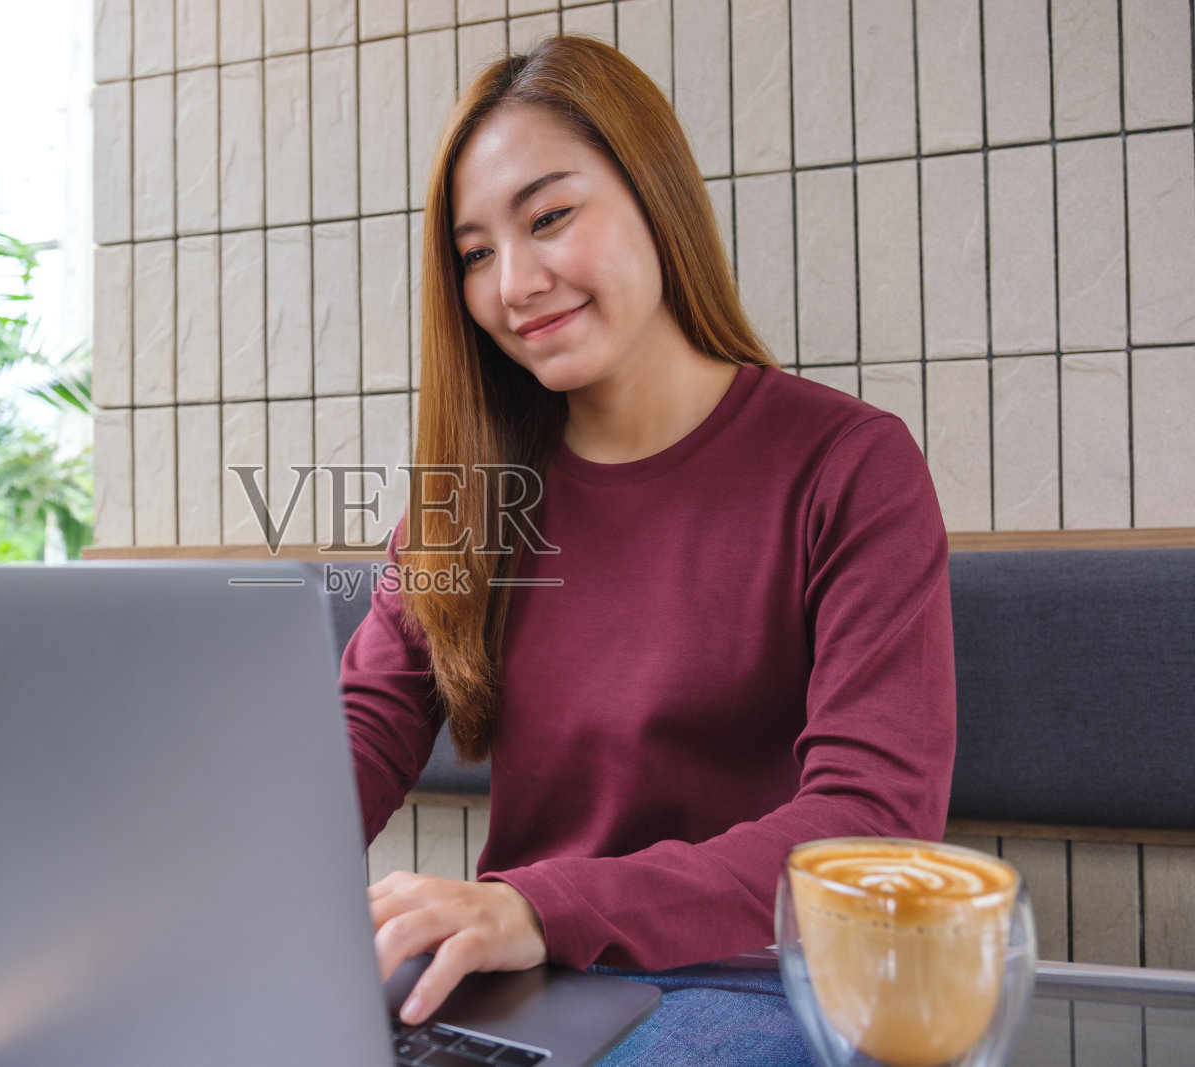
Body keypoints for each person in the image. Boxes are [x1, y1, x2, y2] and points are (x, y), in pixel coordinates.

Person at [338, 34, 957, 1033]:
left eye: (549, 217)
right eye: (476, 253)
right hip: (522, 991)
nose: (513, 283)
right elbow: (360, 737)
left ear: (655, 192)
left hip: (755, 982)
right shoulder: (472, 502)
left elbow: (870, 823)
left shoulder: (848, 466)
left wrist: (538, 906)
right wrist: (201, 875)